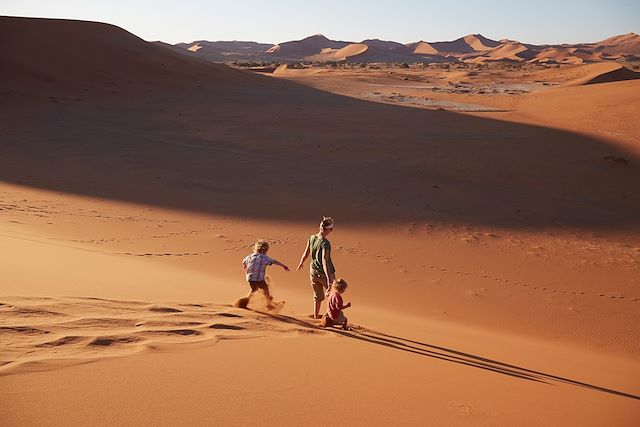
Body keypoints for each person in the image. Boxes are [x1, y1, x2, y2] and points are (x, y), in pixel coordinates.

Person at [296, 216, 336, 319]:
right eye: (331, 228)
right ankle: (332, 317)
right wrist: (328, 279)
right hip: (324, 272)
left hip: (313, 271)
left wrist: (301, 262)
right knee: (333, 294)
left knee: (317, 296)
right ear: (329, 229)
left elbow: (306, 253)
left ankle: (315, 316)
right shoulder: (325, 243)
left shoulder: (312, 238)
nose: (332, 230)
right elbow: (324, 261)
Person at [242, 239, 289, 309]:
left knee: (254, 289)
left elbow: (243, 261)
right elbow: (274, 261)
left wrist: (245, 266)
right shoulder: (265, 258)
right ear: (266, 250)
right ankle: (268, 304)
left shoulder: (250, 256)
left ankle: (245, 301)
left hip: (249, 278)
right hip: (258, 278)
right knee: (265, 289)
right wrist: (284, 266)